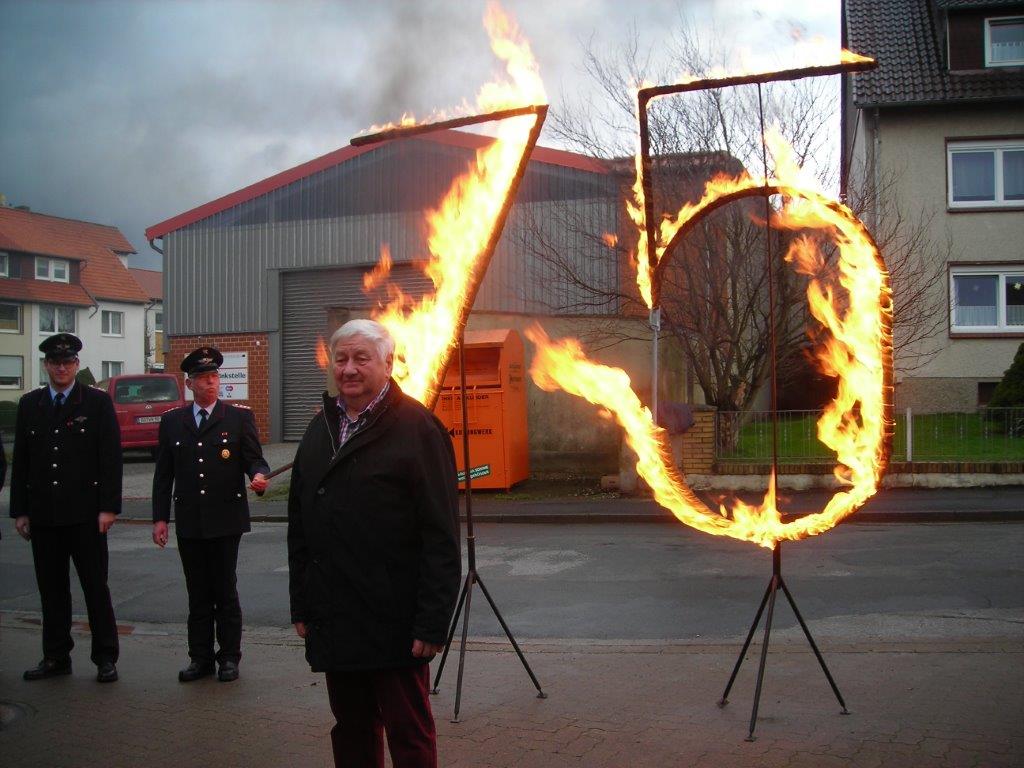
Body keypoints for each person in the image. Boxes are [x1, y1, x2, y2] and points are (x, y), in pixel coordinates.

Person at [288, 319, 461, 768]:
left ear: (387, 363)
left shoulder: (418, 429)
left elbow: (440, 535)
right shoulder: (319, 430)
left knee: (409, 732)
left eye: (361, 358)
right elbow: (299, 528)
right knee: (352, 730)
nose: (348, 369)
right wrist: (303, 605)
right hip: (337, 616)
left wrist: (432, 622)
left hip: (395, 621)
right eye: (341, 359)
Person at [151, 346, 270, 683]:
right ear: (190, 384)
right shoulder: (173, 421)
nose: (211, 383)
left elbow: (254, 459)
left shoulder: (238, 418)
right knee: (198, 593)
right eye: (203, 379)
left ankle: (229, 658)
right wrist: (160, 518)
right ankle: (200, 658)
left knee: (224, 590)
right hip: (190, 521)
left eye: (214, 377)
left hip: (225, 519)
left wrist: (258, 477)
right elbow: (163, 475)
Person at [11, 333, 122, 683]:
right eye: (56, 362)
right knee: (52, 590)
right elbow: (23, 463)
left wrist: (108, 508)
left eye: (68, 362)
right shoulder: (31, 405)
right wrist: (21, 510)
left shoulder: (96, 403)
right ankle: (56, 656)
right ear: (46, 365)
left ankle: (105, 657)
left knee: (95, 587)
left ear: (76, 365)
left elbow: (110, 459)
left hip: (86, 515)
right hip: (45, 515)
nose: (62, 367)